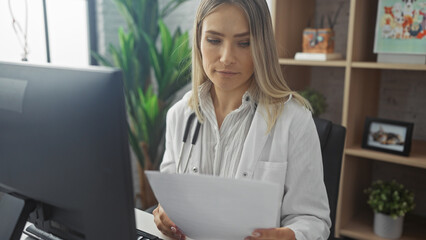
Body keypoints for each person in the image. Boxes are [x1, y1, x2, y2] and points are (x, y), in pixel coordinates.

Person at [153, 0, 331, 239]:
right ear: (198, 40)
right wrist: (165, 213)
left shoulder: (295, 120)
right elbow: (170, 196)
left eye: (244, 43)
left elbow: (314, 220)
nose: (226, 58)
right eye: (214, 40)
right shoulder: (179, 114)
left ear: (262, 46)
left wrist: (288, 236)